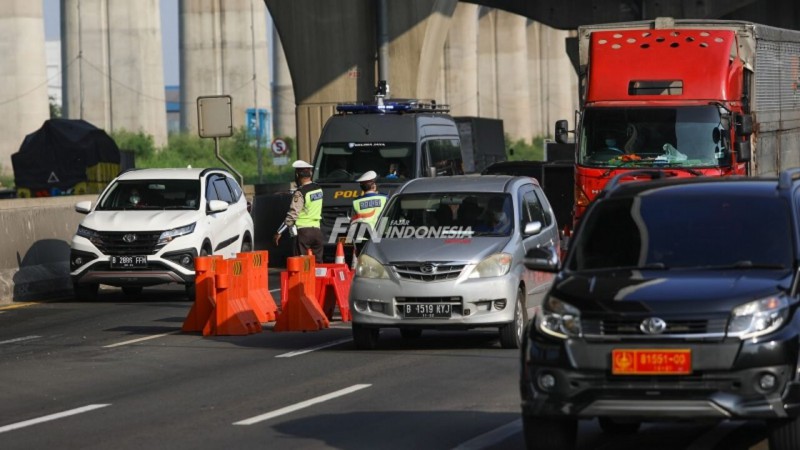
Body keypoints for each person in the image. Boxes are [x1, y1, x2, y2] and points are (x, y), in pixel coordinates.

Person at [273, 160, 325, 262]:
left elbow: (292, 215)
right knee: (318, 264)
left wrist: (279, 232)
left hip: (303, 233)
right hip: (317, 232)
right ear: (310, 174)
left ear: (297, 174)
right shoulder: (319, 189)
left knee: (301, 264)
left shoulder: (300, 193)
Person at [350, 170, 388, 253]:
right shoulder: (384, 198)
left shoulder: (356, 202)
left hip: (361, 239)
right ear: (374, 185)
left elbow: (352, 220)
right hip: (379, 237)